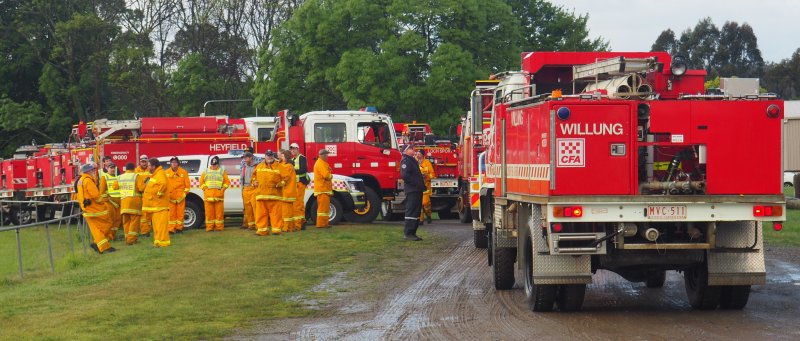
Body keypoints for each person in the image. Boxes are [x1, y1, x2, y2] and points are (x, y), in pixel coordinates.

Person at [76, 162, 116, 253]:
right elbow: (96, 195)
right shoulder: (88, 180)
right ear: (88, 171)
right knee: (107, 224)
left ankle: (98, 244)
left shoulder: (81, 180)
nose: (94, 171)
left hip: (87, 209)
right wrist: (102, 202)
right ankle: (103, 247)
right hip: (95, 209)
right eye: (93, 170)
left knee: (96, 229)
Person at [254, 151, 283, 236]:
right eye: (268, 156)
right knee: (261, 214)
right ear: (265, 156)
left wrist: (282, 183)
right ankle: (262, 231)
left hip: (274, 195)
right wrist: (254, 182)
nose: (269, 157)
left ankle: (276, 230)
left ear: (273, 157)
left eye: (271, 156)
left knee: (276, 214)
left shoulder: (279, 166)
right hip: (261, 195)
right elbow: (253, 177)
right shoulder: (259, 166)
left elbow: (287, 177)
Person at [142, 158, 170, 247]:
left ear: (154, 166)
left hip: (160, 206)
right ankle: (158, 241)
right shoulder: (155, 174)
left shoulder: (160, 173)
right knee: (157, 226)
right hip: (156, 206)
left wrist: (159, 194)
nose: (148, 167)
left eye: (149, 165)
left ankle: (163, 242)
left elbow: (164, 184)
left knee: (161, 226)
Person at [116, 162, 146, 245]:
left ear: (126, 169)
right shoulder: (136, 176)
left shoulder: (120, 177)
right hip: (134, 203)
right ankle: (131, 240)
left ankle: (127, 238)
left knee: (126, 222)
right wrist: (146, 184)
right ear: (134, 169)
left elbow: (115, 186)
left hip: (124, 203)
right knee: (134, 222)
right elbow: (141, 188)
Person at [400, 144, 425, 241]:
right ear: (405, 151)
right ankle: (408, 233)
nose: (413, 150)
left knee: (416, 211)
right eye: (410, 148)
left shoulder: (412, 160)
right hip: (412, 190)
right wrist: (416, 183)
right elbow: (405, 175)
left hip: (417, 190)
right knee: (411, 211)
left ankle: (413, 232)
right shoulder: (406, 161)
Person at [200, 156, 230, 231]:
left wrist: (222, 189)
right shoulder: (206, 171)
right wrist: (205, 189)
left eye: (215, 164)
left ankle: (219, 228)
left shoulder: (222, 171)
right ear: (211, 164)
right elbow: (201, 182)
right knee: (209, 214)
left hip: (219, 196)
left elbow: (227, 182)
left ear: (218, 164)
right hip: (208, 196)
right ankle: (209, 228)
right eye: (213, 165)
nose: (214, 166)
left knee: (219, 214)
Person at [165, 156, 190, 233]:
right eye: (172, 162)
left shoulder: (183, 172)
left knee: (180, 214)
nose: (173, 164)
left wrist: (183, 194)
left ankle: (179, 228)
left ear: (178, 163)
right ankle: (171, 229)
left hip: (180, 197)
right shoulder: (166, 173)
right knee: (171, 214)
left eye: (175, 162)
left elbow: (187, 186)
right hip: (170, 198)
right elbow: (164, 185)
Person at [98, 163, 122, 240]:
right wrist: (112, 202)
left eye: (114, 168)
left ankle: (113, 236)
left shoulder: (117, 178)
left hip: (118, 203)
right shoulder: (104, 177)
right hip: (109, 203)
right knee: (110, 220)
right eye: (111, 168)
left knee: (117, 220)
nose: (112, 169)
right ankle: (108, 236)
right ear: (107, 169)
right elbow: (102, 192)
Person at [290, 143, 310, 230]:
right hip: (295, 184)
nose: (292, 151)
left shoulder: (302, 158)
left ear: (298, 149)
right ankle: (301, 222)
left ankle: (299, 224)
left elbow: (304, 169)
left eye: (294, 149)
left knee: (298, 204)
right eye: (291, 149)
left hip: (300, 183)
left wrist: (293, 171)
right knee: (298, 204)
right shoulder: (292, 159)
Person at [313, 149, 333, 228]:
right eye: (327, 155)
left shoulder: (322, 163)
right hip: (322, 189)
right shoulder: (320, 163)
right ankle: (321, 224)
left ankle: (324, 223)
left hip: (323, 189)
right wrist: (331, 175)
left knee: (324, 208)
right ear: (323, 155)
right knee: (322, 209)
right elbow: (326, 175)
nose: (327, 156)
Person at [279, 150, 298, 232]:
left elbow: (283, 176)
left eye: (282, 156)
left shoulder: (287, 166)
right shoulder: (287, 165)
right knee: (289, 211)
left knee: (286, 211)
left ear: (286, 157)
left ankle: (286, 227)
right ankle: (291, 226)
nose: (281, 157)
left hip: (287, 191)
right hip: (289, 191)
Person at [135, 155, 153, 237]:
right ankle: (144, 231)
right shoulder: (136, 171)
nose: (144, 163)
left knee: (149, 214)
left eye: (145, 161)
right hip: (140, 195)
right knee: (143, 214)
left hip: (150, 194)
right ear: (140, 162)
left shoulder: (151, 170)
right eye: (142, 161)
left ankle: (148, 229)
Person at [416, 150, 435, 224]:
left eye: (419, 154)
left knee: (425, 203)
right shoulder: (414, 162)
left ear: (423, 155)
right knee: (419, 204)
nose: (417, 155)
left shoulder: (427, 163)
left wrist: (426, 176)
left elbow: (432, 175)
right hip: (417, 186)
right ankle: (421, 220)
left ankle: (428, 215)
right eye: (417, 154)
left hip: (426, 187)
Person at [240, 151, 258, 230]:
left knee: (255, 208)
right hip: (246, 188)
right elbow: (242, 178)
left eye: (246, 157)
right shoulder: (244, 167)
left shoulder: (256, 166)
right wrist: (242, 189)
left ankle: (258, 225)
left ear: (251, 157)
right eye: (244, 158)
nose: (244, 159)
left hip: (253, 188)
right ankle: (251, 225)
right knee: (248, 209)